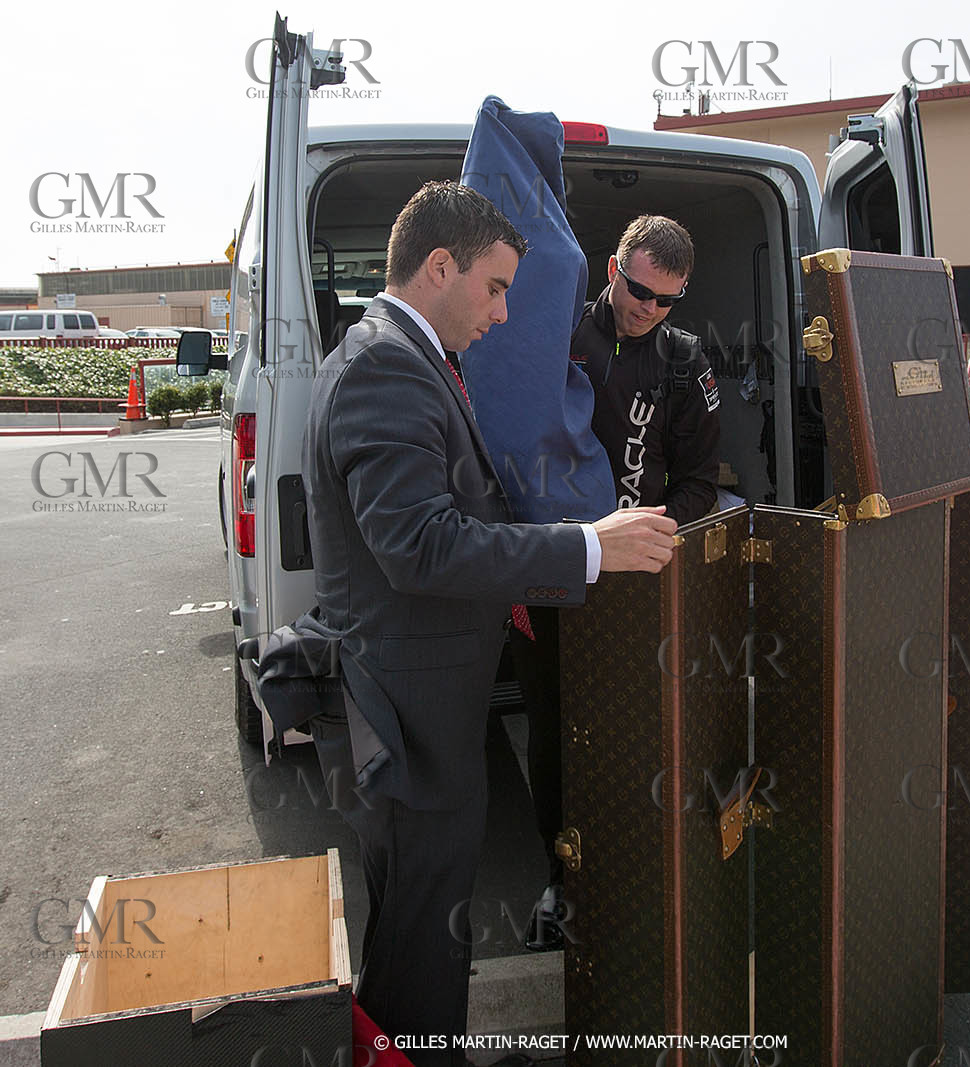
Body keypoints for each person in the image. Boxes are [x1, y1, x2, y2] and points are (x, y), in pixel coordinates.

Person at [298, 181, 678, 1067]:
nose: (505, 312)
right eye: (497, 286)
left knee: (421, 922)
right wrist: (586, 547)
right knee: (421, 931)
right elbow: (420, 547)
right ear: (440, 267)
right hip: (408, 714)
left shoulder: (402, 354)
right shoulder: (387, 366)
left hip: (420, 706)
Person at [511, 214, 721, 951]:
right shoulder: (555, 334)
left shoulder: (684, 359)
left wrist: (646, 532)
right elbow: (507, 457)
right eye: (637, 290)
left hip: (637, 580)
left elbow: (701, 482)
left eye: (666, 299)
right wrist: (520, 576)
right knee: (556, 730)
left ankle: (633, 877)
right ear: (611, 269)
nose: (646, 307)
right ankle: (560, 878)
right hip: (552, 573)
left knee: (637, 734)